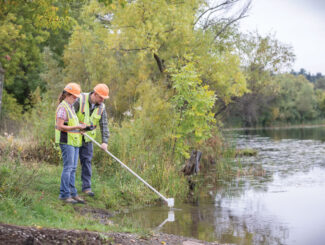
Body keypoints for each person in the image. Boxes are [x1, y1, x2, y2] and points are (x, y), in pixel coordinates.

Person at [74, 83, 110, 197]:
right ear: (95, 94)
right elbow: (69, 115)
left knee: (87, 162)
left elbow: (104, 125)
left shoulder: (101, 107)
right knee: (72, 163)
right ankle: (70, 188)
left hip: (88, 139)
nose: (102, 100)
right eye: (101, 97)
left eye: (104, 98)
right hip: (74, 136)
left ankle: (86, 188)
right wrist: (76, 126)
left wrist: (105, 141)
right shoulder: (80, 99)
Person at [55, 83, 86, 204]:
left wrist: (80, 129)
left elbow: (71, 125)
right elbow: (60, 126)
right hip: (66, 141)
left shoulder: (71, 107)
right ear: (67, 95)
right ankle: (64, 194)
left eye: (77, 97)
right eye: (74, 97)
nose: (76, 99)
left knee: (73, 169)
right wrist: (77, 126)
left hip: (74, 141)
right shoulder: (63, 108)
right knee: (68, 168)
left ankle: (73, 194)